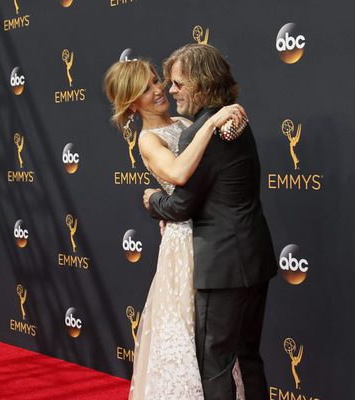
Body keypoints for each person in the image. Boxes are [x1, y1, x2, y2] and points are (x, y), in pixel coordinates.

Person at [103, 58, 246, 400]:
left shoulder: (185, 120)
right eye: (146, 88)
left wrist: (229, 118)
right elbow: (180, 174)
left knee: (214, 337)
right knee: (187, 331)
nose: (158, 90)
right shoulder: (148, 141)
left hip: (213, 237)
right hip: (184, 247)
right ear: (131, 103)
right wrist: (212, 123)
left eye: (156, 81)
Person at [143, 43, 277, 400]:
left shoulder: (201, 133)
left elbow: (181, 206)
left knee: (214, 365)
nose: (170, 91)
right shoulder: (236, 120)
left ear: (202, 83)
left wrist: (152, 200)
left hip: (222, 268)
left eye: (177, 83)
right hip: (256, 256)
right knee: (249, 357)